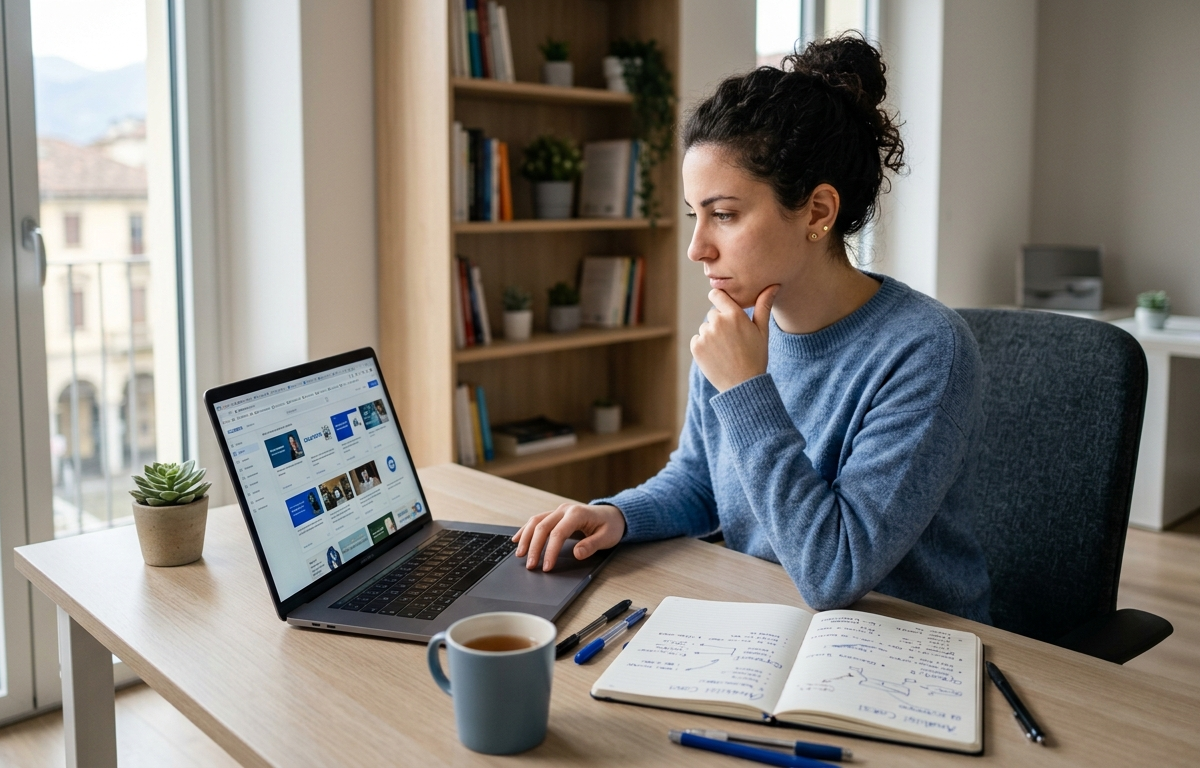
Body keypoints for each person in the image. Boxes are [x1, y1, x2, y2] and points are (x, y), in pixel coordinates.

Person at [513, 34, 991, 623]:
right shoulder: (734, 329)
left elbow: (835, 570)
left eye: (724, 214)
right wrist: (618, 516)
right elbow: (701, 482)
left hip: (905, 642)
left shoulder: (926, 350)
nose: (696, 248)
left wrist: (747, 389)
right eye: (695, 215)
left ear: (818, 211)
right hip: (767, 619)